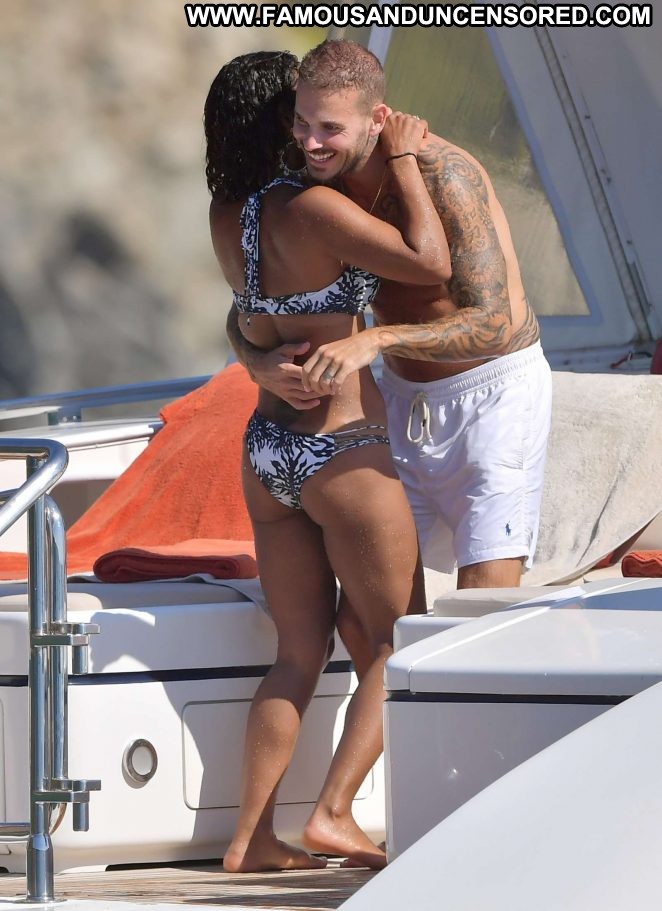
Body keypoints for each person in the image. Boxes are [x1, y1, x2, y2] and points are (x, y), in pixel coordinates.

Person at [206, 51, 450, 872]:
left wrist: (251, 358)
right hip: (339, 449)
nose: (310, 133)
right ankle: (335, 814)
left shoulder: (226, 214)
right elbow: (429, 262)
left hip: (266, 449)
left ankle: (250, 838)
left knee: (296, 653)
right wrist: (404, 159)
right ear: (282, 119)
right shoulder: (310, 208)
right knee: (394, 639)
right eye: (300, 116)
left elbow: (247, 316)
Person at [227, 39, 553, 592]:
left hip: (494, 396)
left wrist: (374, 341)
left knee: (484, 596)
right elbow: (248, 303)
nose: (311, 142)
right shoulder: (314, 181)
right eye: (303, 123)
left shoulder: (443, 173)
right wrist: (254, 360)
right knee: (383, 602)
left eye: (330, 128)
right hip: (401, 399)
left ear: (377, 119)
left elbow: (494, 325)